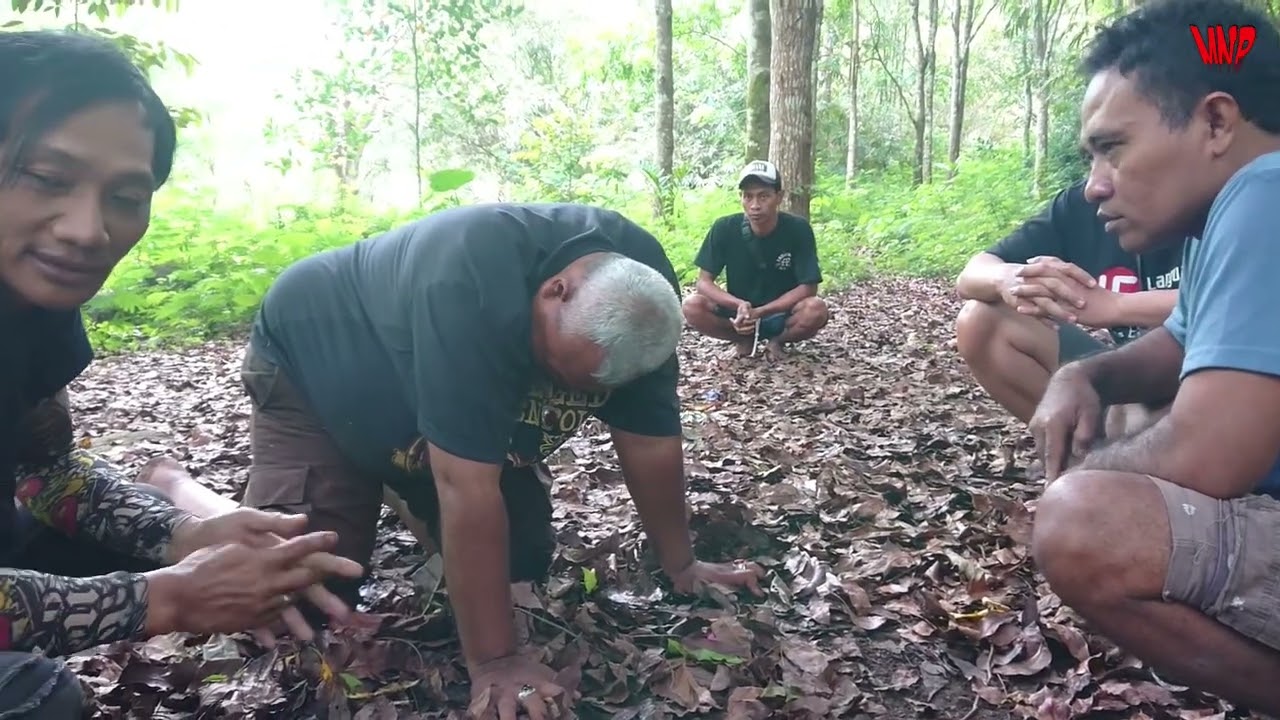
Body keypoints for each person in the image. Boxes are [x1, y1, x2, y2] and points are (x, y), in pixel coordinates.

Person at [145, 203, 768, 720]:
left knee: (520, 559)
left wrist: (682, 564)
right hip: (317, 364)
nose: (568, 395)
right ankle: (177, 489)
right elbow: (469, 491)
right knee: (302, 600)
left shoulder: (639, 294)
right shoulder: (468, 278)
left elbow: (651, 439)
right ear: (556, 290)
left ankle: (398, 476)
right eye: (557, 372)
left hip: (435, 395)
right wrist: (495, 664)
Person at [0, 30, 363, 718]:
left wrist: (182, 537)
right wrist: (167, 596)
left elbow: (42, 475)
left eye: (126, 196)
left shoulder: (32, 303)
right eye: (48, 179)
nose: (87, 229)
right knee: (33, 698)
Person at [1027, 0, 1280, 715]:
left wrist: (1069, 484)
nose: (1095, 183)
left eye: (1113, 147)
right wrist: (1085, 374)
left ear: (1217, 121)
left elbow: (1209, 455)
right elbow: (1179, 344)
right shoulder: (1224, 214)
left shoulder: (1266, 194)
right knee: (1128, 421)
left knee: (1083, 522)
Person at [954, 181, 1184, 426]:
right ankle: (1080, 452)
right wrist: (1008, 277)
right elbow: (970, 276)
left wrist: (1117, 306)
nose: (1094, 184)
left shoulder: (1215, 198)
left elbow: (1228, 300)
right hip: (1128, 374)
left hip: (1210, 375)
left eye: (1113, 148)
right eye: (1091, 158)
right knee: (982, 320)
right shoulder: (1085, 204)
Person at [682, 160, 829, 359]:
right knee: (692, 306)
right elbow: (704, 282)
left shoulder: (798, 229)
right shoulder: (724, 228)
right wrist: (739, 305)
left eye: (763, 196)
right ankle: (743, 339)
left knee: (816, 309)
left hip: (782, 314)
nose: (755, 205)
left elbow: (808, 287)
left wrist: (762, 311)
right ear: (740, 198)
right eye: (748, 196)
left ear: (779, 197)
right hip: (738, 314)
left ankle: (778, 340)